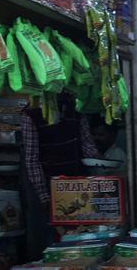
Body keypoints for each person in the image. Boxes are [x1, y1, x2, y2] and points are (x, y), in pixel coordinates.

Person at [20, 92, 101, 259]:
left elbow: (87, 145)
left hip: (81, 184)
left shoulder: (76, 108)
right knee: (58, 239)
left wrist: (102, 165)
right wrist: (44, 197)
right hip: (52, 188)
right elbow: (32, 159)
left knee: (87, 235)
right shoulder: (31, 114)